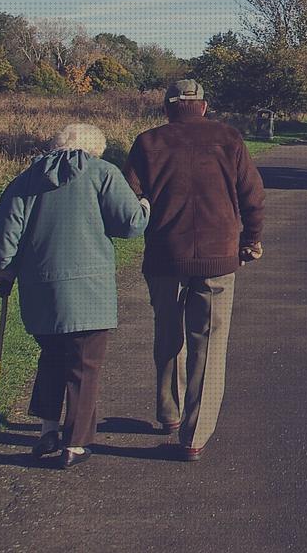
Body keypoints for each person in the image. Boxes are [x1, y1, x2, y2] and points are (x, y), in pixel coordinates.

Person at [0, 122, 148, 468]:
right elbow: (131, 223)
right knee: (85, 365)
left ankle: (47, 429)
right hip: (89, 291)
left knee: (53, 357)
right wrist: (145, 205)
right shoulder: (103, 173)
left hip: (39, 290)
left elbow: (5, 235)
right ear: (94, 149)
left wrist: (2, 269)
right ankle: (75, 443)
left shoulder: (25, 179)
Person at [124, 79, 265, 462]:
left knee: (167, 335)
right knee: (209, 344)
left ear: (168, 107)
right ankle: (194, 436)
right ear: (203, 106)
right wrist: (251, 241)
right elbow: (253, 195)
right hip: (218, 256)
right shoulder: (229, 138)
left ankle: (169, 412)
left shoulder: (148, 142)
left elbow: (129, 199)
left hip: (164, 255)